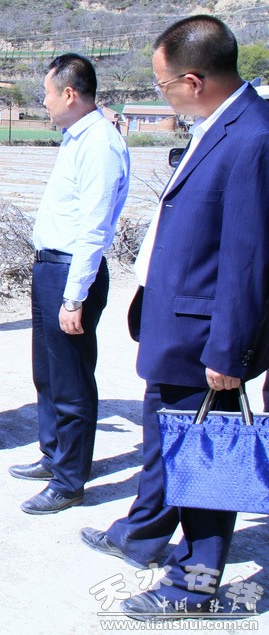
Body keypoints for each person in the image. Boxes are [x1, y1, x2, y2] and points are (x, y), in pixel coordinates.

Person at [79, 15, 269, 619]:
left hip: (205, 340)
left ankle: (193, 586)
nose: (162, 97)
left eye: (162, 86)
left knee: (206, 463)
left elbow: (247, 257)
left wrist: (228, 353)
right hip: (177, 327)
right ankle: (147, 536)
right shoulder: (219, 125)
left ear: (193, 81)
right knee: (169, 445)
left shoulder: (253, 137)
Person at [9, 54, 129, 514]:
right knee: (48, 374)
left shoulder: (99, 143)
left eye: (47, 94)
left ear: (70, 94)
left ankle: (69, 480)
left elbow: (94, 228)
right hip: (50, 267)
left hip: (71, 271)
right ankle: (54, 454)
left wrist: (75, 296)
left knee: (72, 380)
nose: (43, 102)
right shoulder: (78, 137)